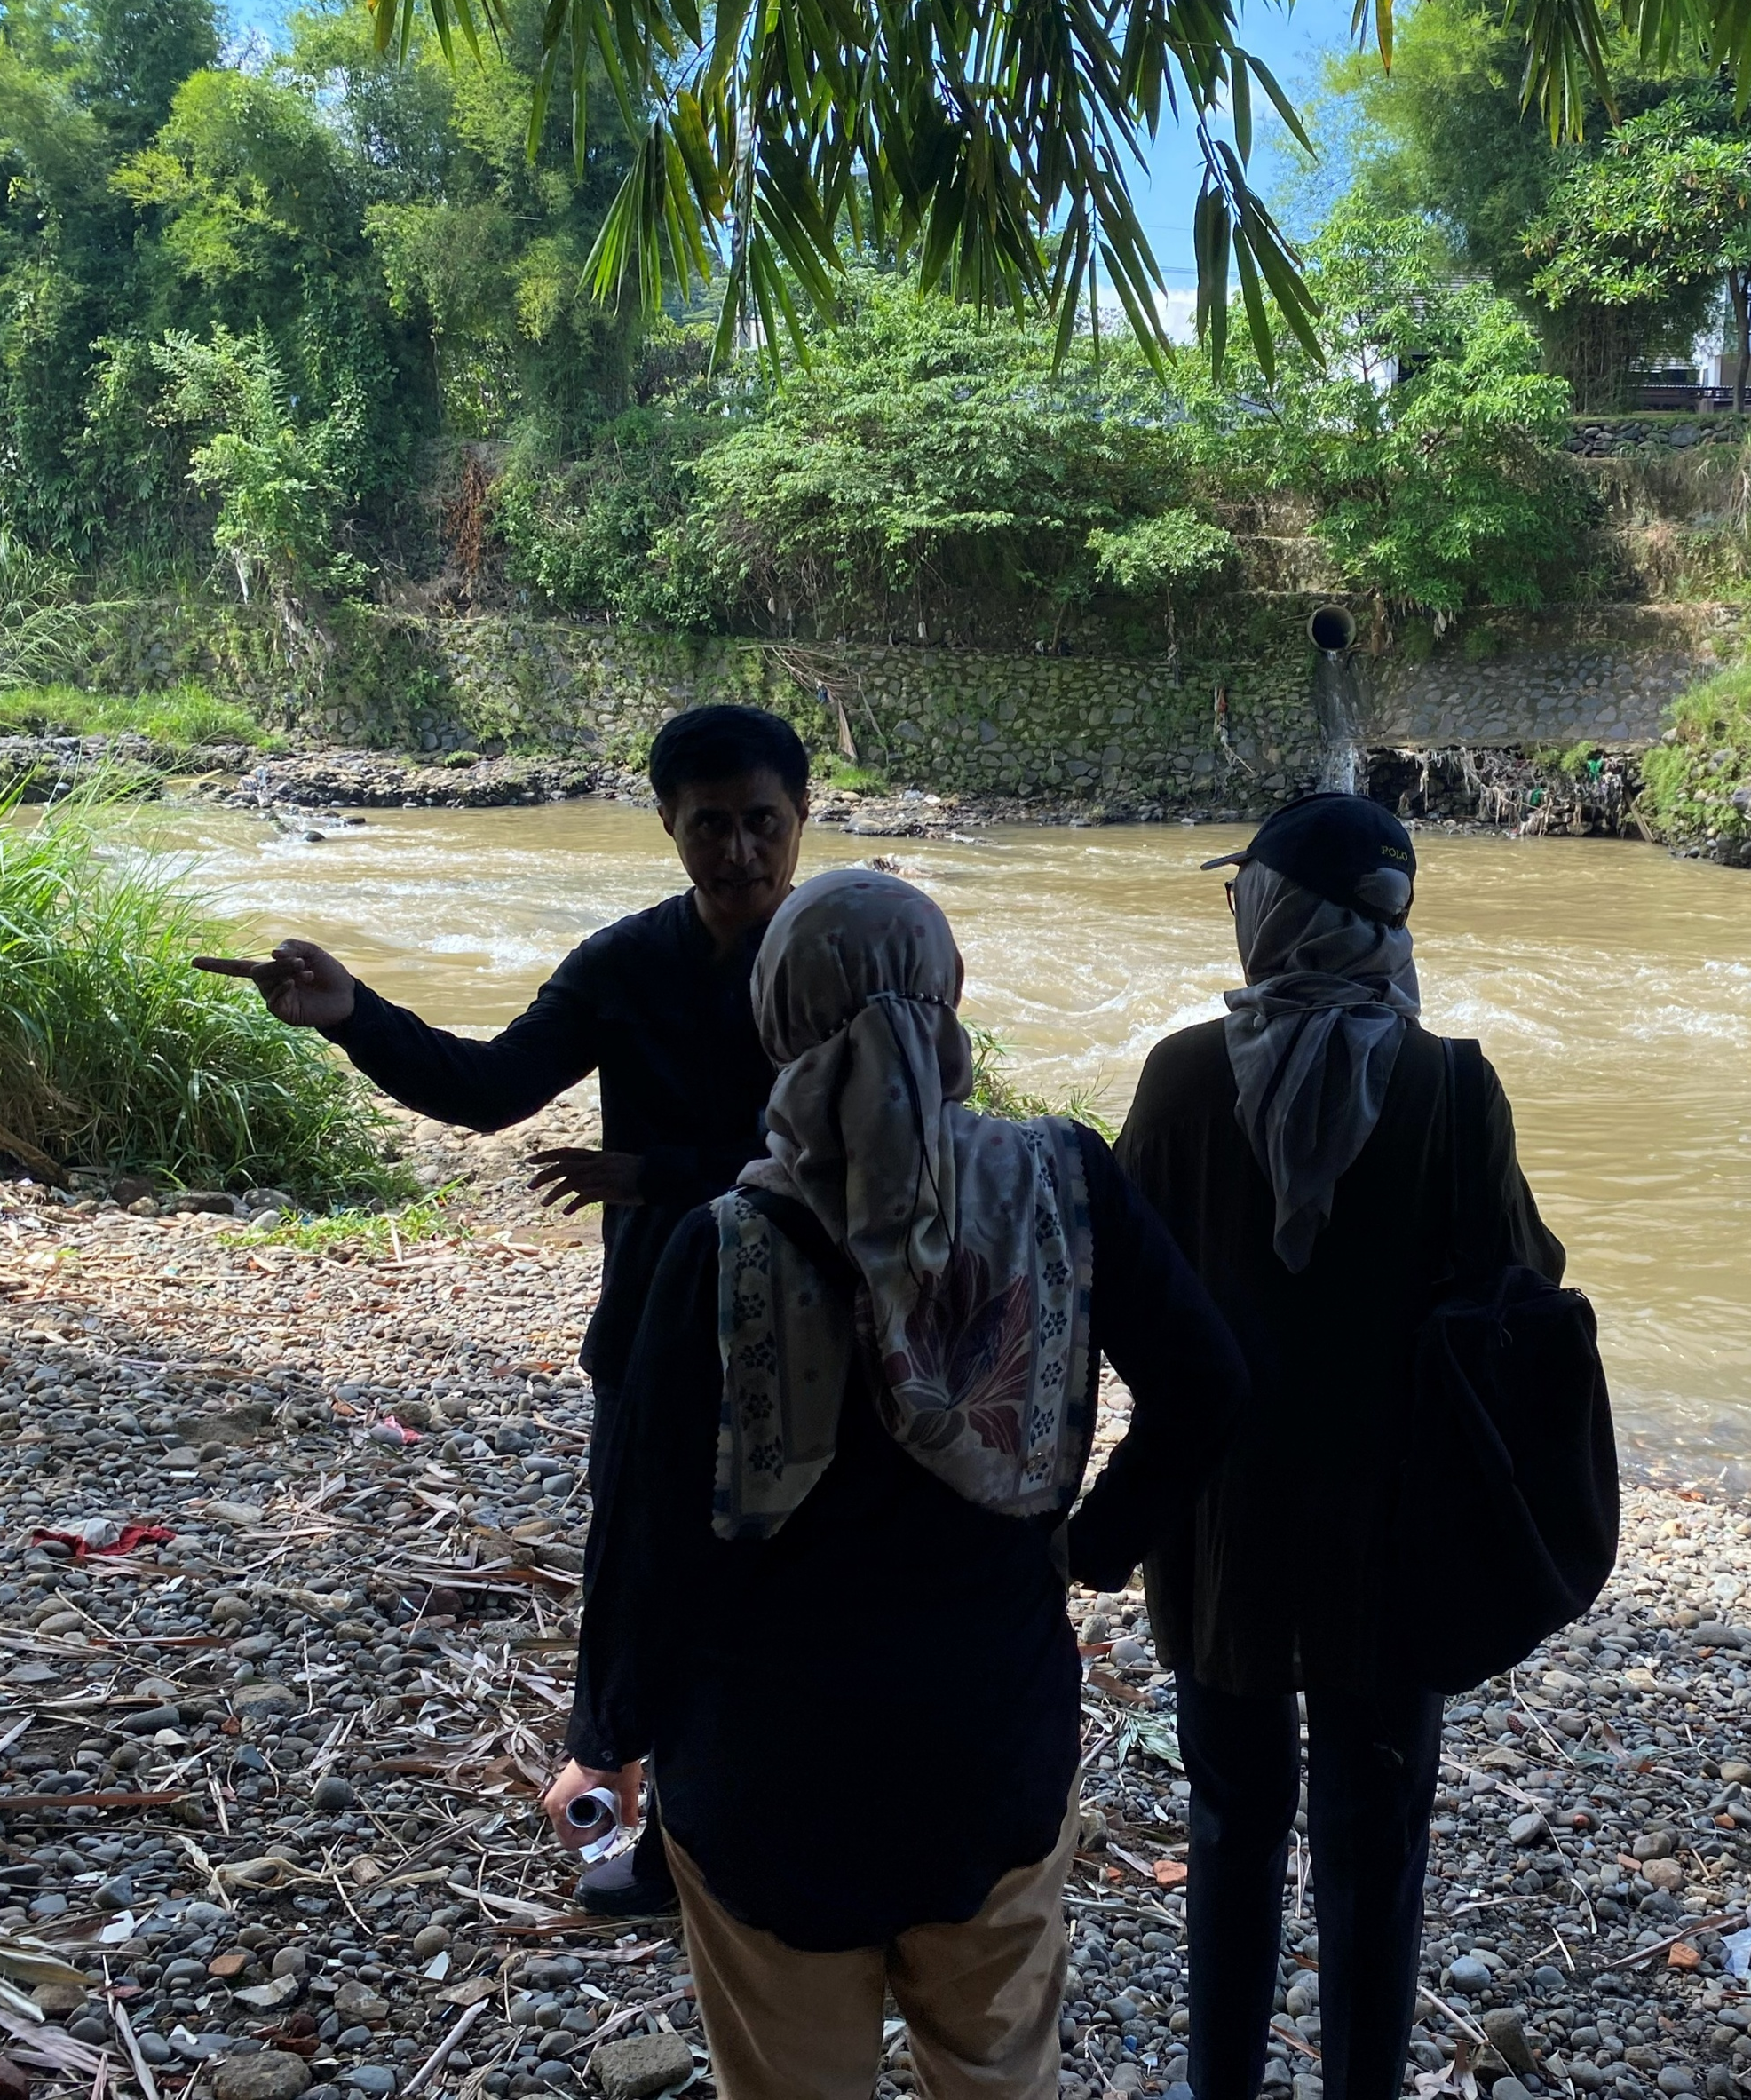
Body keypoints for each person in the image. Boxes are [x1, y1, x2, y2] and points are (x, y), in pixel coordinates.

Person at [547, 867, 1248, 2100]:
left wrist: (607, 1739)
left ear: (777, 1025)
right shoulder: (1064, 1182)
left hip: (766, 1776)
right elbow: (1209, 1387)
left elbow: (650, 1526)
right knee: (995, 2071)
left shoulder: (717, 1243)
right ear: (951, 997)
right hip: (992, 1744)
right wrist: (1087, 1547)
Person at [202, 702, 810, 1915]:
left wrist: (659, 1174)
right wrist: (355, 1015)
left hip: (815, 1326)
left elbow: (876, 1141)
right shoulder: (623, 964)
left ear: (805, 816)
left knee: (799, 1581)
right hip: (654, 1326)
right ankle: (686, 1839)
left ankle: (796, 1824)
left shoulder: (843, 953)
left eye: (761, 823)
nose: (739, 853)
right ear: (667, 826)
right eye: (710, 827)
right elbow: (489, 1090)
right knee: (653, 1574)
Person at [1116, 793, 1564, 2100]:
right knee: (1377, 1844)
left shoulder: (1186, 1075)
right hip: (1394, 1541)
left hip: (1218, 1536)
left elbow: (1124, 1282)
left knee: (1231, 1824)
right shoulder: (1448, 1084)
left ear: (1269, 916)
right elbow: (1524, 1284)